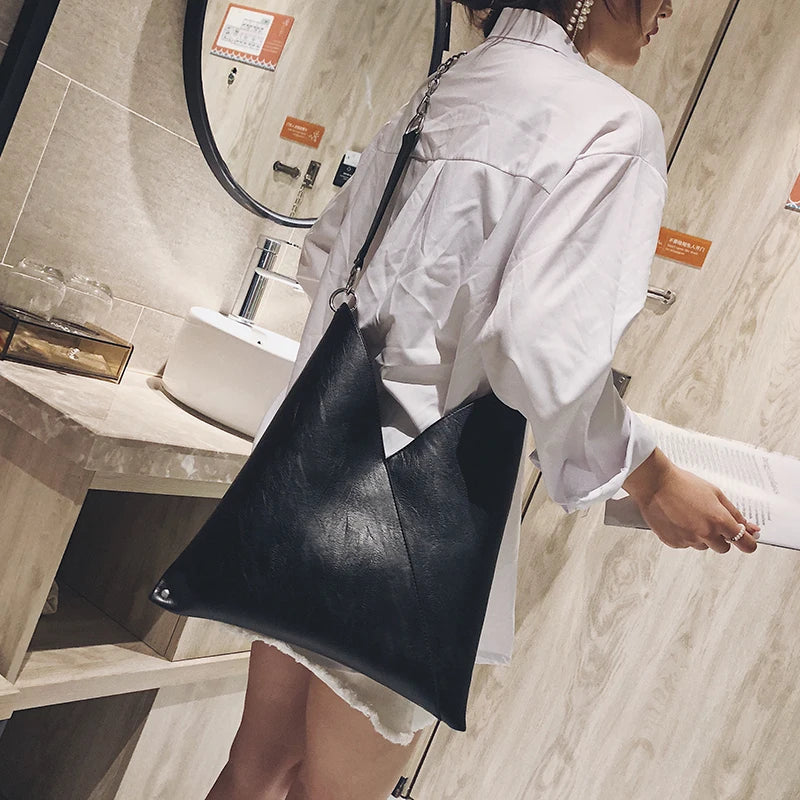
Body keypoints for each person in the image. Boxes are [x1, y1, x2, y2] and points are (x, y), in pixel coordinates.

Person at [206, 2, 761, 798]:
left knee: (257, 767)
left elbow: (325, 254)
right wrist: (653, 478)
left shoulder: (448, 84)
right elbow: (542, 347)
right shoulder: (614, 127)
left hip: (311, 482)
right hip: (413, 522)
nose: (670, 6)